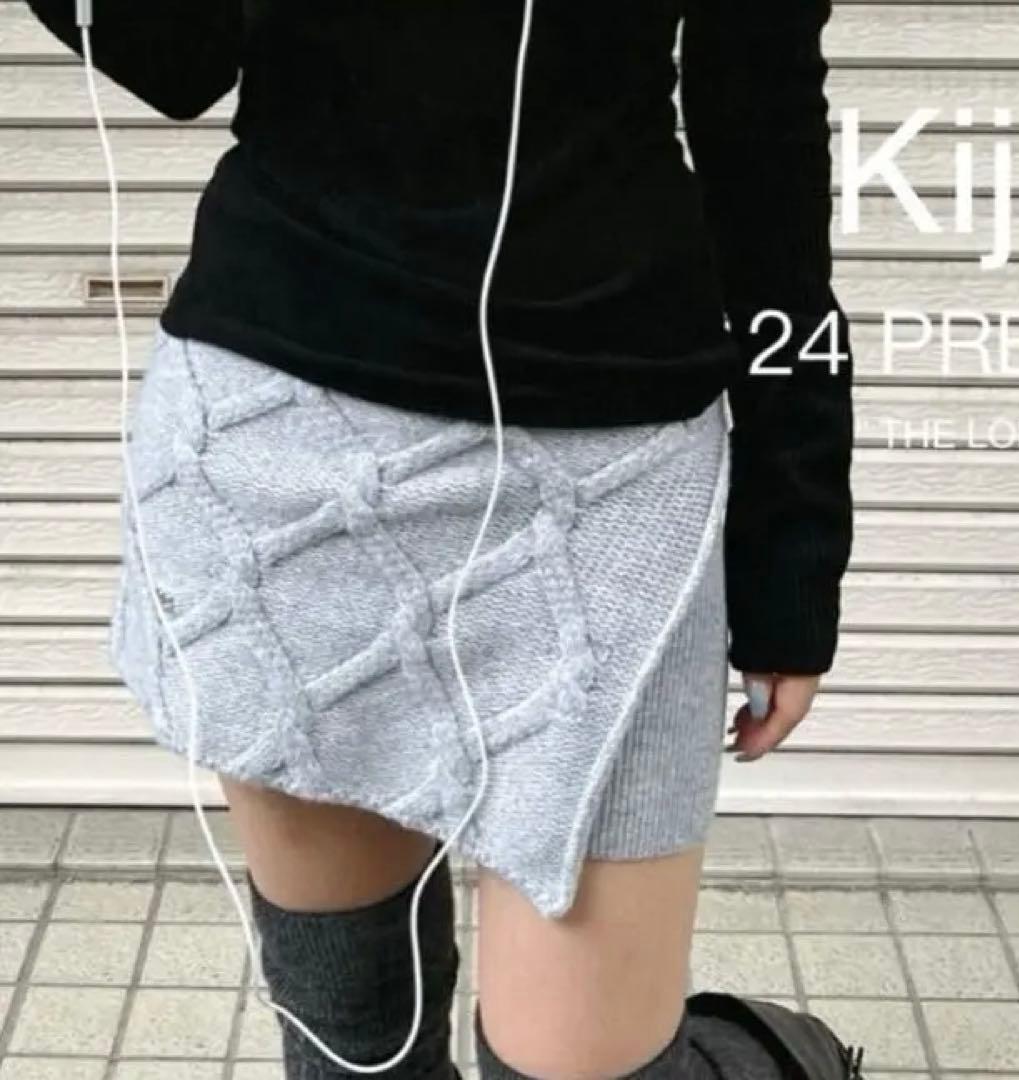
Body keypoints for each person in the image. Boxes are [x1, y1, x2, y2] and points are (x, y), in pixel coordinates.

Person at [27, 0, 857, 1076]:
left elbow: (765, 128)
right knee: (353, 1042)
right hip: (285, 445)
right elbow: (176, 57)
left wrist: (793, 542)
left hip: (615, 474)